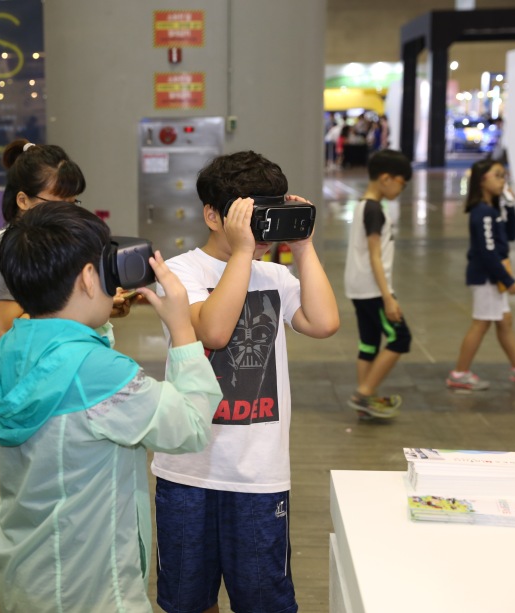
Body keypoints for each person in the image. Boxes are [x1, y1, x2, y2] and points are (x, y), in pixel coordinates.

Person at [0, 202, 222, 612]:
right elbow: (192, 425)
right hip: (93, 591)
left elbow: (73, 371)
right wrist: (182, 328)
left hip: (29, 577)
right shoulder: (100, 373)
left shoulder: (10, 348)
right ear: (90, 277)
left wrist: (96, 319)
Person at [151, 151, 340, 613]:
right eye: (249, 218)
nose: (259, 233)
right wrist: (240, 253)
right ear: (213, 215)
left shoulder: (275, 274)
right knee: (188, 601)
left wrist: (303, 246)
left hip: (258, 474)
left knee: (264, 601)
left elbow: (323, 322)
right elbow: (212, 330)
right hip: (189, 471)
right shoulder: (178, 273)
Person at [0, 138, 87, 444]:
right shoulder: (5, 248)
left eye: (73, 203)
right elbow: (6, 328)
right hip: (23, 393)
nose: (68, 214)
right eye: (57, 203)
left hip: (57, 385)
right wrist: (78, 303)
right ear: (23, 200)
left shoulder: (57, 243)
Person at [446, 159, 515, 391]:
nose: (503, 180)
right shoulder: (481, 213)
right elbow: (487, 251)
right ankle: (459, 373)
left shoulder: (492, 209)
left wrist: (510, 205)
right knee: (482, 323)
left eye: (504, 176)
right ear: (482, 180)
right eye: (497, 176)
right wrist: (506, 279)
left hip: (493, 275)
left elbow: (511, 236)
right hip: (486, 277)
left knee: (504, 321)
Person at [343, 149, 413, 420]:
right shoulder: (374, 209)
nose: (401, 189)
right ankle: (364, 393)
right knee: (400, 338)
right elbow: (375, 255)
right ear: (386, 178)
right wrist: (388, 297)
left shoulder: (364, 204)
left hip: (359, 287)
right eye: (401, 183)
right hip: (373, 288)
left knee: (369, 343)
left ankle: (366, 402)